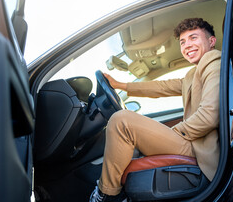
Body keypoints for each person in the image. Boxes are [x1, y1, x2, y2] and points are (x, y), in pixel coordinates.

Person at [89, 18, 221, 202]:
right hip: (195, 143)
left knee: (122, 121)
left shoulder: (214, 63)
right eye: (183, 42)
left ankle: (106, 195)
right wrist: (122, 85)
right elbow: (163, 87)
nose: (187, 45)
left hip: (201, 151)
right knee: (127, 126)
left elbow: (209, 117)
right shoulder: (194, 73)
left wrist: (174, 133)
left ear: (211, 41)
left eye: (193, 38)